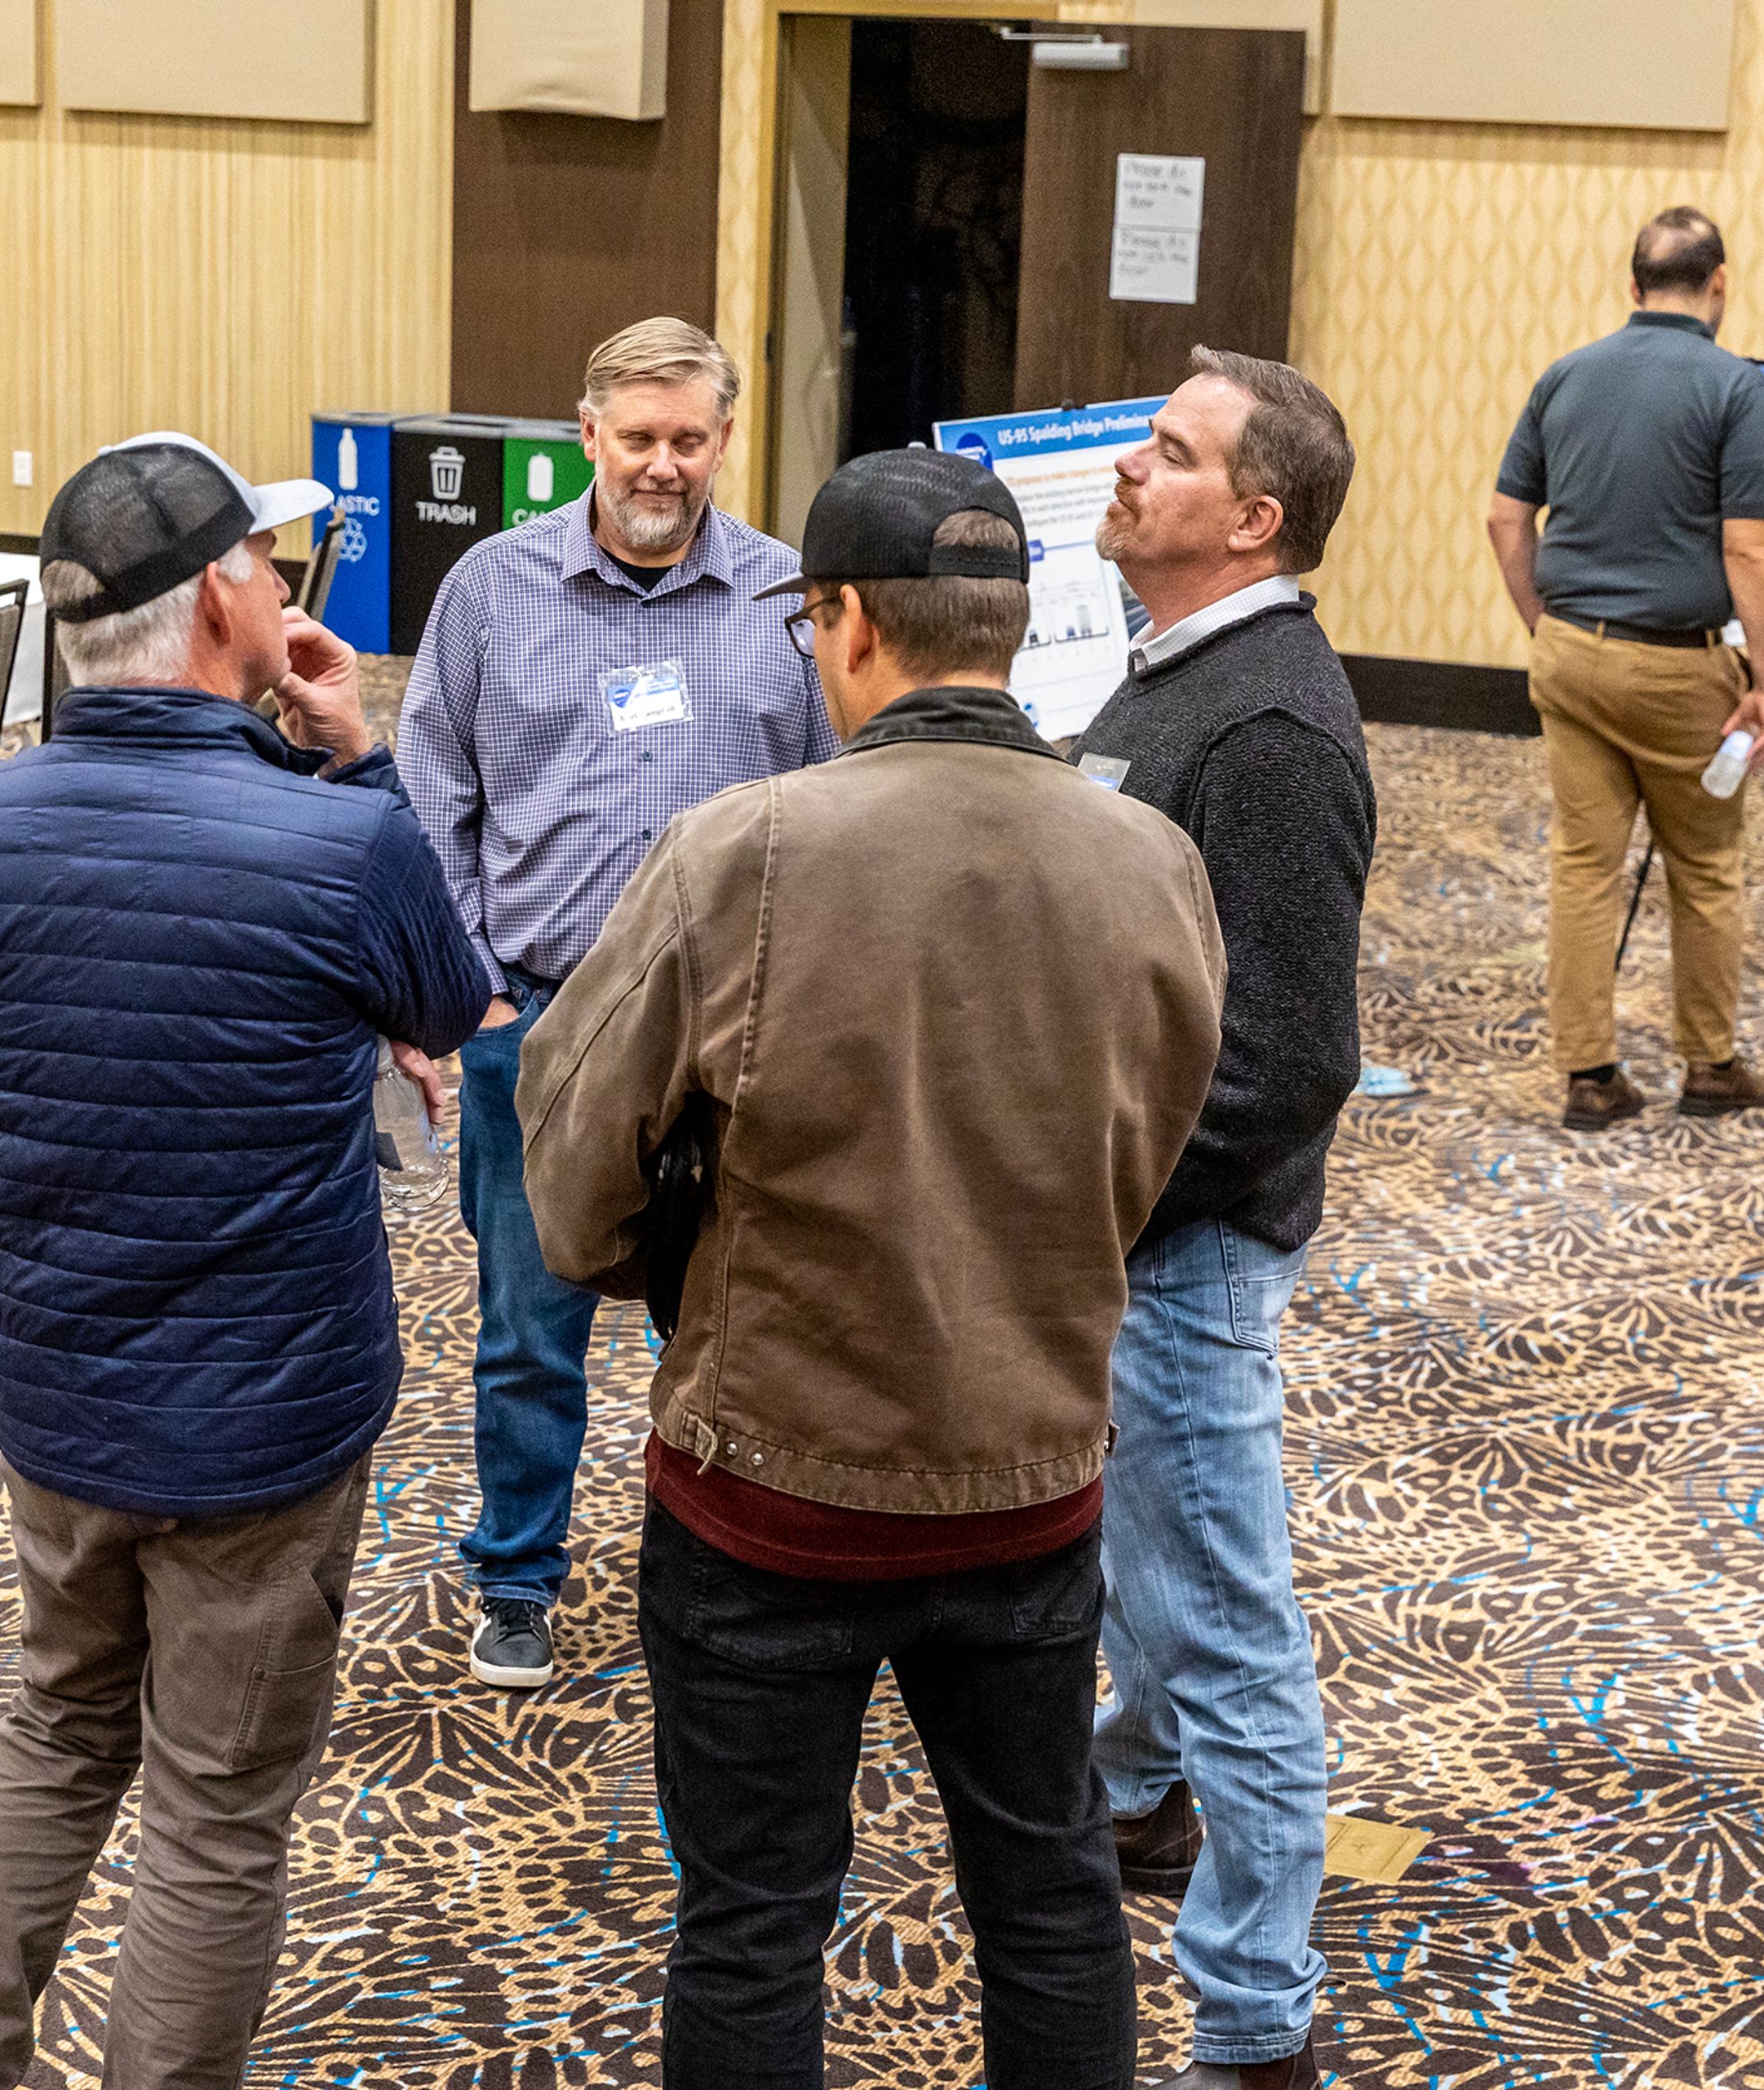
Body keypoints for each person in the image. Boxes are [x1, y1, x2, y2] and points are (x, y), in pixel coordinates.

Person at [518, 447, 1228, 2090]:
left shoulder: (740, 851)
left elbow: (570, 1182)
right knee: (1051, 1894)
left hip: (768, 1486)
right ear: (1017, 620)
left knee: (754, 1915)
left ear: (837, 623)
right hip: (1036, 1482)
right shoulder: (1150, 863)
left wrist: (670, 1266)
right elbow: (1158, 1150)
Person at [0, 435, 486, 2090]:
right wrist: (349, 751)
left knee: (59, 1717)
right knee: (216, 1809)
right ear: (225, 593)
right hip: (263, 1429)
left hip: (60, 1401)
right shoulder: (329, 840)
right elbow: (446, 1002)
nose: (289, 586)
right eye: (272, 564)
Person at [397, 317, 837, 1691]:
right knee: (529, 1327)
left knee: (726, 1331)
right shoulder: (488, 589)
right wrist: (466, 985)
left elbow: (837, 810)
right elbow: (431, 792)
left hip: (733, 1042)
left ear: (724, 438)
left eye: (689, 439)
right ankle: (518, 1574)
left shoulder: (784, 598)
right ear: (585, 435)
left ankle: (711, 1572)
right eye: (637, 437)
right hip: (539, 1026)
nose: (663, 465)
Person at [1071, 348, 1373, 2090]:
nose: (1126, 468)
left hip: (1183, 1246)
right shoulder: (1177, 673)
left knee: (1231, 1617)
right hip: (1139, 1231)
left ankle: (1257, 2016)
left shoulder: (1264, 725)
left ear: (1250, 518)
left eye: (1167, 455)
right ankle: (1128, 1782)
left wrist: (1096, 1198)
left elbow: (1284, 1064)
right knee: (1149, 1555)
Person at [1487, 206, 1764, 1131]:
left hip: (1569, 652)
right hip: (1677, 669)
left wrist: (1546, 625)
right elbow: (1747, 547)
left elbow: (1506, 519)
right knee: (1705, 865)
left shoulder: (1566, 374)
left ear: (1632, 287)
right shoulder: (1738, 388)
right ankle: (1710, 1065)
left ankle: (1591, 1075)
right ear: (1720, 283)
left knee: (1584, 865)